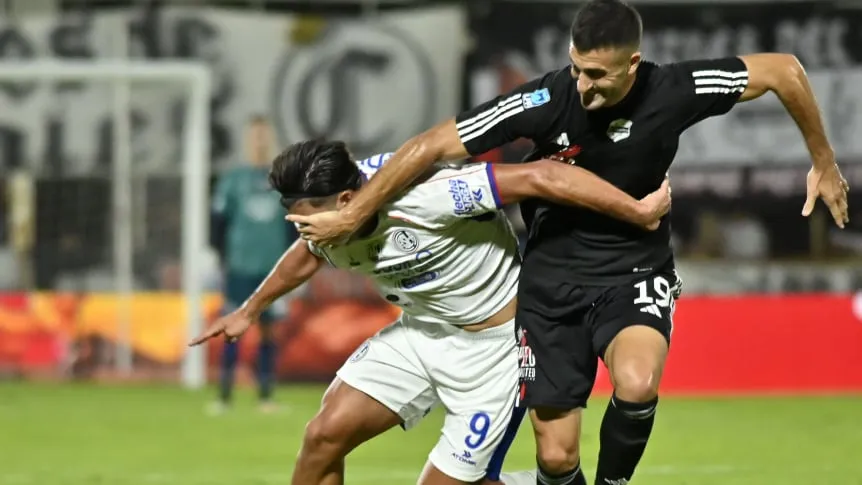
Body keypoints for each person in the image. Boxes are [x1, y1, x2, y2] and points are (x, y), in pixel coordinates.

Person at [285, 1, 851, 484]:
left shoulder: (677, 88)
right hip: (550, 283)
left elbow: (784, 69)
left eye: (597, 75)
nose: (583, 85)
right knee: (555, 458)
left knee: (636, 383)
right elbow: (431, 145)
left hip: (634, 272)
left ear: (632, 64)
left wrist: (823, 161)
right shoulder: (545, 100)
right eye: (576, 68)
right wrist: (356, 210)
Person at [190, 139, 671, 485]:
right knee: (323, 436)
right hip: (419, 334)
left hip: (494, 353)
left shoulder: (431, 194)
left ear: (346, 201)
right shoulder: (323, 223)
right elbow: (306, 255)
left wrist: (635, 210)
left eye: (306, 218)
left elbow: (541, 177)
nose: (300, 228)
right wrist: (250, 311)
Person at [209, 115, 298, 414]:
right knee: (233, 328)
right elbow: (218, 223)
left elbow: (293, 225)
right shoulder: (233, 180)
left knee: (269, 331)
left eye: (263, 135)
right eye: (255, 135)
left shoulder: (282, 182)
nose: (259, 141)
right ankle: (224, 396)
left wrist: (292, 262)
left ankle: (265, 396)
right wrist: (222, 259)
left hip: (273, 270)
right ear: (247, 140)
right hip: (240, 267)